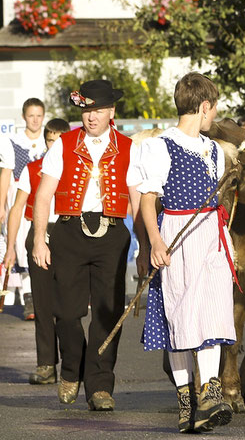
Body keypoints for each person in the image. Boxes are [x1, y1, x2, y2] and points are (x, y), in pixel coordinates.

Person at [32, 80, 145, 411]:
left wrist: (143, 247)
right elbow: (43, 195)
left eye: (97, 110)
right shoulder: (63, 144)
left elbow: (137, 201)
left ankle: (99, 386)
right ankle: (71, 368)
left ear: (111, 112)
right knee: (65, 313)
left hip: (112, 234)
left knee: (107, 312)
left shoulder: (129, 147)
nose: (91, 116)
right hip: (68, 231)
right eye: (86, 110)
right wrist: (40, 237)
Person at [138, 72, 236, 433]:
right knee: (181, 313)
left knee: (211, 309)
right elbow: (148, 200)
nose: (213, 116)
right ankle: (186, 403)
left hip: (211, 233)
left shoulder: (214, 150)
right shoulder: (160, 146)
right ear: (205, 107)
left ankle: (210, 392)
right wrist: (155, 242)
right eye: (213, 109)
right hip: (176, 233)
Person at [3, 118, 69, 384]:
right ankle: (46, 365)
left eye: (59, 140)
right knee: (42, 305)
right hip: (39, 233)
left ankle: (73, 365)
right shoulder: (33, 169)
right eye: (50, 140)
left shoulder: (78, 168)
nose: (54, 145)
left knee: (69, 307)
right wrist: (9, 247)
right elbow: (17, 208)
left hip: (69, 233)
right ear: (45, 142)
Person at [0, 98, 47, 319]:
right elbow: (6, 174)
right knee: (20, 246)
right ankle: (29, 299)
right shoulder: (13, 141)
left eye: (39, 115)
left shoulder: (51, 141)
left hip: (43, 197)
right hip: (20, 195)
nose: (35, 120)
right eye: (31, 115)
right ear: (24, 117)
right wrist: (1, 205)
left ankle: (44, 297)